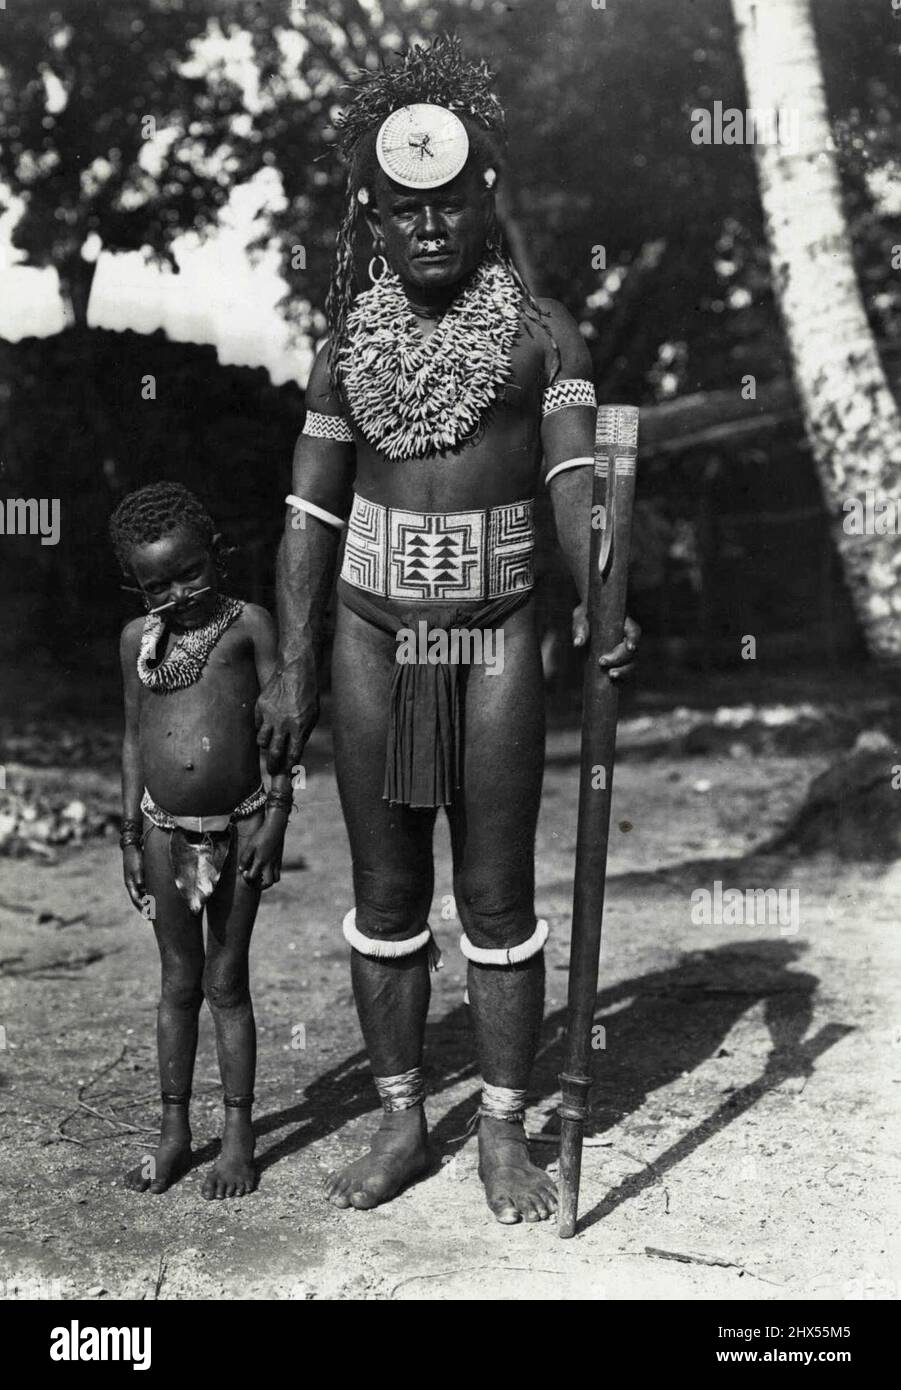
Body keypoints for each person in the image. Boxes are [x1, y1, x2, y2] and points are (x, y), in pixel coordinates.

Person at [256, 37, 638, 1224]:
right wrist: (294, 661)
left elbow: (578, 487)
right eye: (404, 208)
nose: (429, 228)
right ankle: (401, 1113)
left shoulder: (548, 341)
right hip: (374, 634)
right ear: (371, 213)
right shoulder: (341, 352)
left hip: (494, 637)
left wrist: (603, 602)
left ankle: (504, 1130)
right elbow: (310, 516)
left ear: (485, 202)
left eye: (449, 204)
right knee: (383, 891)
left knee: (496, 891)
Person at [112, 482, 293, 1199]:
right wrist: (128, 834)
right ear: (134, 584)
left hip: (242, 823)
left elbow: (281, 728)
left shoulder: (249, 626)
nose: (177, 594)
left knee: (226, 981)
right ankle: (174, 1132)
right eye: (156, 584)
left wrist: (276, 816)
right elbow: (132, 740)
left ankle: (240, 1135)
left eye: (190, 572)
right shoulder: (137, 642)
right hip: (161, 832)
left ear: (216, 555)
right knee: (177, 983)